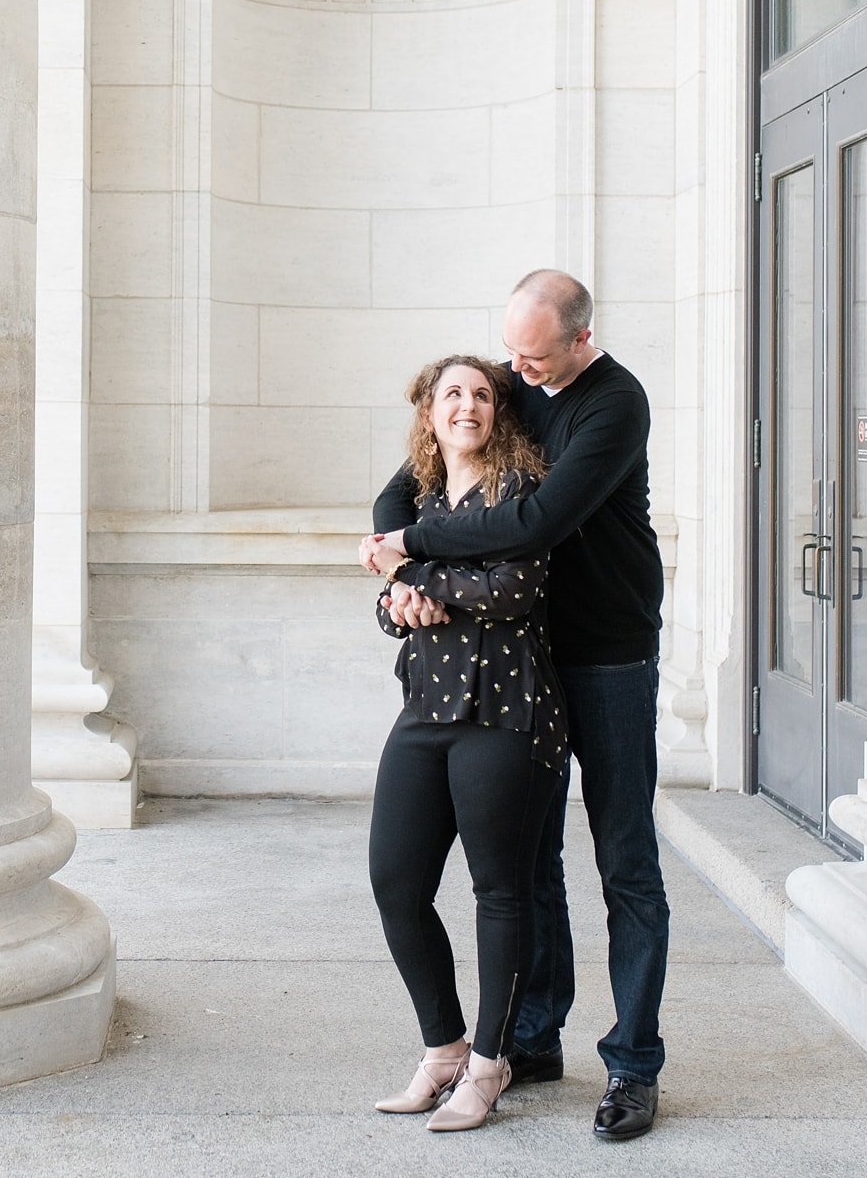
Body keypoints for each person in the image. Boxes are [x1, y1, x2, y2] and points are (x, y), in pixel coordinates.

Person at [360, 270, 669, 1142]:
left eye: (533, 358)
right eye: (512, 354)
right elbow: (404, 484)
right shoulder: (517, 379)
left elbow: (534, 523)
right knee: (527, 863)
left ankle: (634, 1064)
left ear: (580, 339)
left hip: (604, 653)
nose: (515, 374)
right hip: (516, 659)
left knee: (626, 864)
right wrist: (400, 557)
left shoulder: (614, 404)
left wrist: (408, 553)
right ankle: (531, 1038)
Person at [363, 354, 567, 1133]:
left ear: (498, 413)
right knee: (395, 880)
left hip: (505, 712)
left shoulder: (520, 492)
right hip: (425, 708)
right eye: (453, 394)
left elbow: (513, 590)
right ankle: (443, 1046)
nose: (468, 405)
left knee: (499, 891)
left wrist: (412, 567)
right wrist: (402, 600)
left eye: (482, 394)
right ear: (429, 412)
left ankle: (490, 1062)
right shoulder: (414, 495)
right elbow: (390, 600)